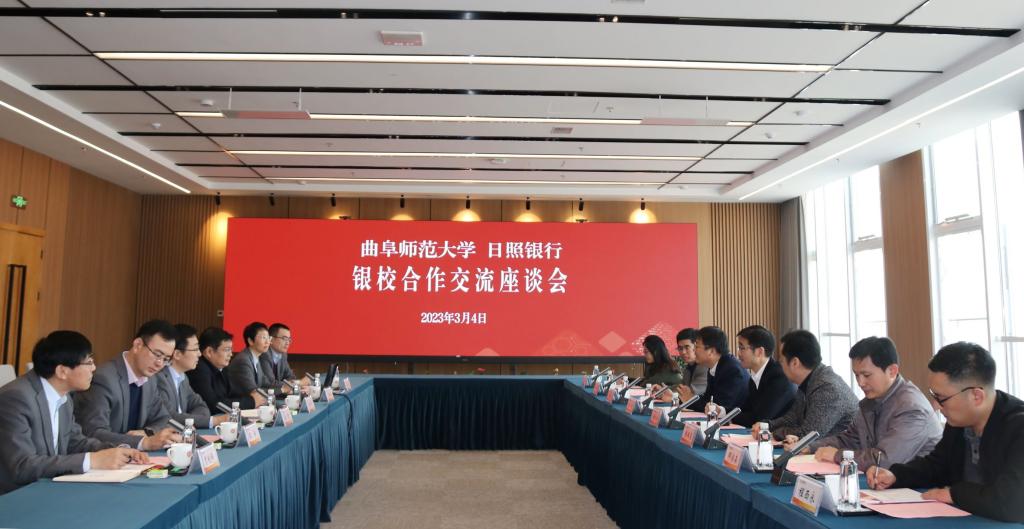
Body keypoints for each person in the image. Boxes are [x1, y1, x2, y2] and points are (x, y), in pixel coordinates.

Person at [867, 342, 1024, 522]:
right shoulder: (960, 421)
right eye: (934, 396)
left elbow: (1013, 503)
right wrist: (896, 476)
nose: (935, 405)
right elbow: (937, 466)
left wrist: (954, 494)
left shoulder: (1018, 427)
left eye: (941, 398)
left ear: (976, 396)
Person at [0, 331, 147, 494]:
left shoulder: (63, 396)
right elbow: (22, 466)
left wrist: (118, 451)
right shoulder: (15, 399)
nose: (94, 368)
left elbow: (75, 442)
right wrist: (92, 460)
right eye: (89, 362)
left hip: (48, 488)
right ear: (62, 371)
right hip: (16, 495)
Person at [811, 336, 941, 469]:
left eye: (866, 375)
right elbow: (850, 440)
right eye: (856, 375)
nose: (860, 383)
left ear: (892, 371)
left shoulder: (912, 408)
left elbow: (885, 460)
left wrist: (838, 456)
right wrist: (810, 447)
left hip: (917, 482)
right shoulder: (871, 401)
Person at [74, 320, 181, 450]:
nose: (159, 363)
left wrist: (148, 432)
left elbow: (163, 418)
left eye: (166, 359)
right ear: (137, 345)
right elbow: (94, 432)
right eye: (157, 355)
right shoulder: (104, 379)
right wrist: (143, 442)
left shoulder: (150, 380)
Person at [752, 330, 858, 446]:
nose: (780, 365)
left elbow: (808, 436)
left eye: (781, 361)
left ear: (795, 363)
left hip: (840, 454)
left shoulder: (827, 388)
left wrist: (772, 433)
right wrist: (767, 426)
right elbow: (792, 418)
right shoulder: (810, 379)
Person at [156, 324, 226, 428]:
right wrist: (214, 421)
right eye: (195, 349)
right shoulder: (159, 378)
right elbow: (169, 417)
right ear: (177, 354)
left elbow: (201, 406)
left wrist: (190, 421)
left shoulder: (183, 377)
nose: (199, 354)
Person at [725, 325, 795, 427]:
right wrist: (723, 411)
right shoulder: (755, 377)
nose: (738, 353)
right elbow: (744, 410)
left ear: (759, 352)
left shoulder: (780, 377)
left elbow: (760, 419)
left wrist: (727, 416)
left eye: (742, 348)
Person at [677, 326, 749, 412]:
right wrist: (686, 398)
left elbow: (719, 408)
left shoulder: (732, 370)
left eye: (697, 347)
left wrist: (690, 399)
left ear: (711, 351)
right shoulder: (715, 367)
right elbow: (708, 400)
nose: (694, 351)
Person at [187, 327, 259, 411]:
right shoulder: (199, 370)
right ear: (209, 352)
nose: (231, 354)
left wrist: (252, 397)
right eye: (226, 350)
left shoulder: (222, 367)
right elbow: (213, 405)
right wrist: (251, 402)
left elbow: (232, 394)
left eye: (231, 350)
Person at [227, 321, 279, 403]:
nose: (267, 342)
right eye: (263, 338)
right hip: (240, 405)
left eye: (268, 338)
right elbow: (254, 391)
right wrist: (282, 390)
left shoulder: (255, 358)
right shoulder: (243, 360)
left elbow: (266, 383)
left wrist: (288, 386)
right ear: (250, 341)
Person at [674, 328, 708, 397]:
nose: (683, 352)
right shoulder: (688, 368)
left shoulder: (705, 367)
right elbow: (681, 388)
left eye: (687, 347)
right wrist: (663, 391)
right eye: (680, 348)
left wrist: (671, 395)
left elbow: (691, 393)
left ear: (696, 346)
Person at [262, 323, 297, 387]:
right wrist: (297, 383)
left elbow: (290, 376)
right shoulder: (264, 354)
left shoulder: (283, 355)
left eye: (289, 339)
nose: (287, 343)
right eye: (284, 338)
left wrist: (295, 383)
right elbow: (270, 383)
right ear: (271, 339)